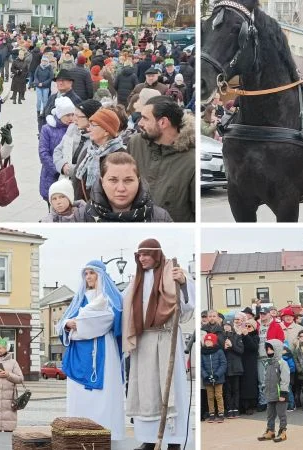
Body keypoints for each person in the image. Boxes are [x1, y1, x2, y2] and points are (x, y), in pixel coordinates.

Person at [122, 239, 195, 450]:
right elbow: (122, 305)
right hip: (144, 340)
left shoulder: (172, 272)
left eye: (146, 254)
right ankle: (149, 439)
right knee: (146, 391)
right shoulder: (135, 280)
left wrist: (182, 283)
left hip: (166, 338)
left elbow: (187, 307)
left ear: (156, 255)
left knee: (171, 389)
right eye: (139, 255)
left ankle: (174, 440)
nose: (142, 258)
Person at [55, 260, 124, 439]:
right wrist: (70, 326)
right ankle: (78, 432)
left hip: (104, 351)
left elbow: (108, 321)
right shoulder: (79, 299)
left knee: (104, 395)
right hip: (79, 353)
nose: (88, 277)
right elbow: (64, 324)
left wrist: (79, 326)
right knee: (79, 395)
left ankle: (105, 431)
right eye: (85, 274)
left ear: (100, 275)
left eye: (92, 273)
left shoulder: (110, 299)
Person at [128, 96, 194, 222]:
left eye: (145, 118)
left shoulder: (191, 161)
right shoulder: (136, 143)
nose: (140, 123)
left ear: (163, 122)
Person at [73, 108, 125, 199]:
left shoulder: (120, 156)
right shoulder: (89, 152)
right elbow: (77, 182)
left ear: (106, 131)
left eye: (93, 125)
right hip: (83, 209)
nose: (89, 129)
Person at [39, 97, 76, 202]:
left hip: (70, 175)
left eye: (73, 114)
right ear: (60, 115)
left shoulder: (75, 128)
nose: (71, 118)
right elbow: (43, 152)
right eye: (67, 115)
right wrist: (58, 169)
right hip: (52, 175)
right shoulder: (47, 129)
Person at [256, 339, 290, 443]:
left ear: (277, 349)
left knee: (281, 413)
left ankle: (282, 431)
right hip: (270, 393)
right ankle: (270, 430)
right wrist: (264, 387)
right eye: (268, 349)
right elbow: (265, 377)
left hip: (280, 394)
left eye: (271, 349)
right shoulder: (267, 363)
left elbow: (285, 379)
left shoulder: (282, 363)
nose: (269, 351)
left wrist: (283, 392)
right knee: (270, 413)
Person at [201, 333, 227, 423]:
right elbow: (201, 366)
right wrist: (206, 376)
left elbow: (223, 364)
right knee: (210, 397)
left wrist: (217, 375)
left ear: (214, 342)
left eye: (210, 341)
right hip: (208, 379)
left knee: (219, 396)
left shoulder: (219, 351)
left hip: (218, 378)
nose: (208, 343)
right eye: (206, 341)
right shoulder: (202, 352)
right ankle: (212, 413)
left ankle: (221, 413)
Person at [223, 314, 245, 419]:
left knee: (236, 389)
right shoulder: (221, 337)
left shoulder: (236, 336)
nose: (227, 327)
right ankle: (229, 408)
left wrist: (232, 346)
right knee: (227, 390)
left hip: (236, 367)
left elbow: (241, 351)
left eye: (228, 325)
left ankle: (236, 408)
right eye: (225, 325)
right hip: (226, 367)